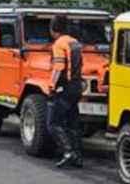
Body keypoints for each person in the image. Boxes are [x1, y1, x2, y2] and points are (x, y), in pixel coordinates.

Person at [47, 15, 84, 168]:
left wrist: (51, 86)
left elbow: (59, 67)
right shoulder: (75, 42)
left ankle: (68, 152)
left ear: (53, 30)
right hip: (77, 86)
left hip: (65, 87)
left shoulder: (58, 44)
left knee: (53, 123)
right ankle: (78, 156)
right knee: (73, 123)